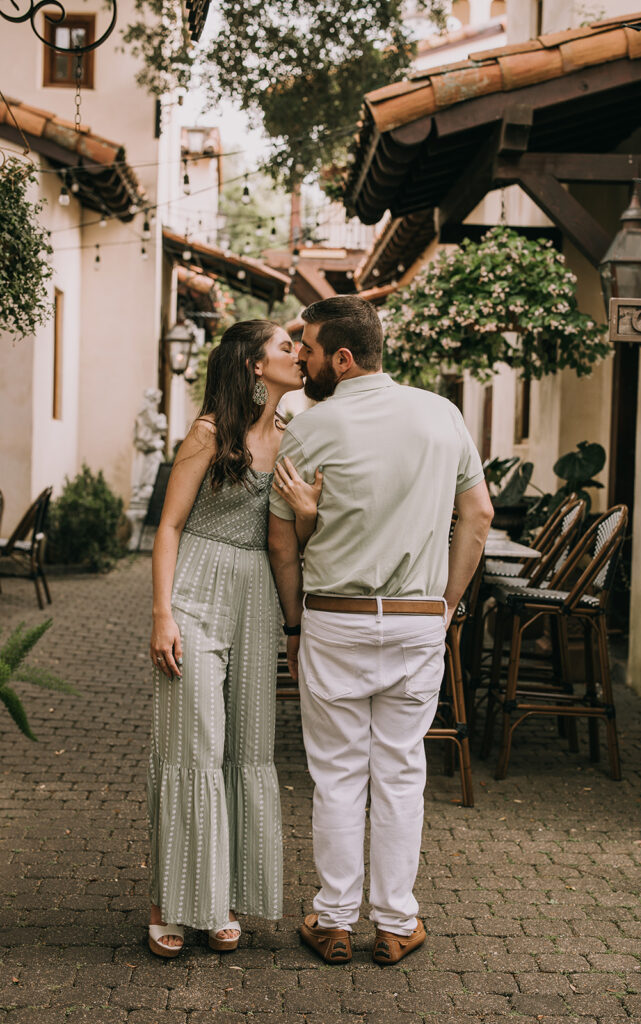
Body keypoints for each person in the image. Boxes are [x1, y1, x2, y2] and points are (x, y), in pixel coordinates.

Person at [268, 296, 493, 966]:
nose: (301, 359)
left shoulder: (309, 428)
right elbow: (476, 516)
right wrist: (446, 607)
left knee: (337, 774)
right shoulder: (441, 414)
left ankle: (333, 920)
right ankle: (396, 923)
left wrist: (291, 624)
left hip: (332, 618)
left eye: (306, 348)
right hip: (416, 618)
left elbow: (282, 544)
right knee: (399, 770)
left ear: (341, 357)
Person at [147, 320, 321, 958]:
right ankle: (169, 899)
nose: (297, 355)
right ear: (252, 364)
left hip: (255, 597)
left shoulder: (293, 437)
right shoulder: (208, 433)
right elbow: (168, 527)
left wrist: (305, 516)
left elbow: (288, 544)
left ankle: (217, 896)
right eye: (284, 347)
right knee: (192, 746)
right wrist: (162, 614)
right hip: (195, 585)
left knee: (245, 747)